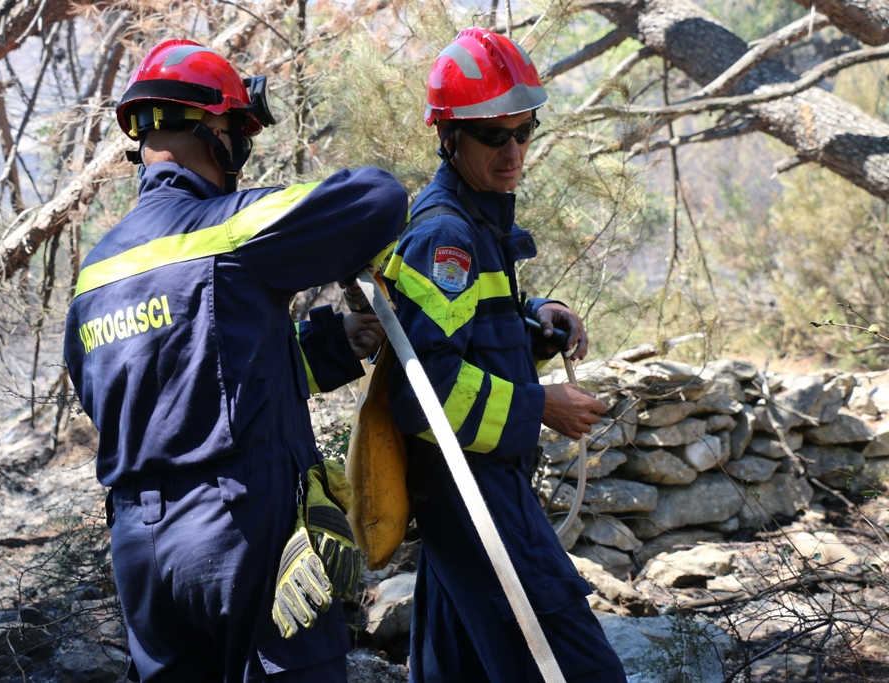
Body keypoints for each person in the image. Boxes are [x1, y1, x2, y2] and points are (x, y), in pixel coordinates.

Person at [63, 39, 406, 682]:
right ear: (215, 132)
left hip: (141, 549)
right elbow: (376, 198)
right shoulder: (229, 226)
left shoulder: (96, 273)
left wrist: (330, 345)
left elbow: (174, 384)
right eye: (238, 133)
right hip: (240, 532)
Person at [383, 27, 626, 682]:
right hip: (474, 492)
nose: (514, 151)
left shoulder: (479, 220)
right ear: (450, 136)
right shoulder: (447, 238)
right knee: (575, 666)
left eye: (525, 131)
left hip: (466, 495)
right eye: (494, 135)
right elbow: (422, 390)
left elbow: (470, 335)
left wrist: (535, 322)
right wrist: (538, 406)